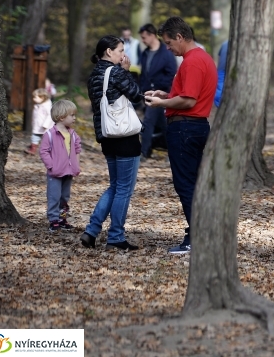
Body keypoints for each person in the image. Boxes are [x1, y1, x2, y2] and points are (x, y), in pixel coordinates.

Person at [144, 17, 217, 254]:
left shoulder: (193, 62)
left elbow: (189, 100)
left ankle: (197, 236)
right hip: (192, 126)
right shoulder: (198, 59)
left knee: (185, 184)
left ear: (179, 37)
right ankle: (201, 232)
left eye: (168, 43)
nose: (167, 48)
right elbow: (185, 94)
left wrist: (158, 104)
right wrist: (166, 95)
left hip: (186, 128)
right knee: (192, 183)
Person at [80, 36, 143, 251]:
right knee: (124, 189)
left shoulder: (94, 75)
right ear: (109, 51)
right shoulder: (115, 72)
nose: (123, 55)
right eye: (120, 50)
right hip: (125, 137)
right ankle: (116, 236)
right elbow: (136, 95)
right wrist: (126, 70)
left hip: (107, 137)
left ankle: (91, 231)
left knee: (115, 186)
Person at [39, 99, 81, 233]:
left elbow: (77, 149)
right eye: (72, 115)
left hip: (69, 172)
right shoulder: (50, 134)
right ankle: (53, 220)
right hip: (55, 172)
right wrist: (51, 166)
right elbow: (43, 151)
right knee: (54, 197)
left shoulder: (73, 134)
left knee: (64, 197)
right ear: (62, 117)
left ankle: (62, 219)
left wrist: (76, 165)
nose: (74, 118)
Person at [138, 23, 178, 160]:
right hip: (148, 93)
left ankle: (144, 152)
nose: (143, 40)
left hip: (161, 93)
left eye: (144, 37)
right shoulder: (145, 53)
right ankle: (171, 150)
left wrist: (161, 89)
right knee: (163, 124)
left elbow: (172, 72)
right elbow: (143, 73)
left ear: (152, 35)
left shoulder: (166, 52)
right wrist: (143, 90)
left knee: (148, 121)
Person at [26, 88, 54, 155]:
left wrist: (46, 124)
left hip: (46, 127)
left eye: (35, 97)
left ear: (42, 97)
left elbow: (50, 116)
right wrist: (33, 122)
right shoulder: (37, 106)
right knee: (35, 137)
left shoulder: (47, 106)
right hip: (38, 125)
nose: (34, 99)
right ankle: (33, 148)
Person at [214, 40, 228, 108]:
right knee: (219, 91)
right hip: (222, 70)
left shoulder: (224, 43)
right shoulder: (225, 44)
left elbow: (219, 57)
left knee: (219, 91)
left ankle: (220, 106)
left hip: (221, 70)